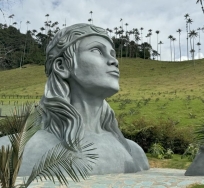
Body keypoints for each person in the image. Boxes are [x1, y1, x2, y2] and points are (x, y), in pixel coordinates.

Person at [0, 23, 149, 175]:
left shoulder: (135, 153)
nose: (114, 61)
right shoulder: (11, 151)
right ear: (61, 66)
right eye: (97, 50)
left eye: (113, 54)